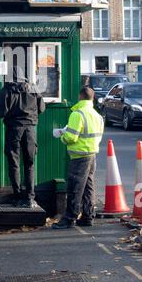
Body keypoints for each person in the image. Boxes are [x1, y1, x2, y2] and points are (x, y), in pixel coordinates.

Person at [52, 86, 104, 229]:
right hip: (92, 154)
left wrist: (62, 135)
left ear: (80, 97)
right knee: (88, 187)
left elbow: (71, 138)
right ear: (92, 98)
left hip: (79, 156)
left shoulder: (77, 114)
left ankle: (69, 218)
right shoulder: (97, 115)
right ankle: (88, 216)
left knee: (75, 187)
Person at [0, 67, 45, 209]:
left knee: (14, 163)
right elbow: (41, 108)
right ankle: (30, 197)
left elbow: (1, 112)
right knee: (29, 163)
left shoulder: (6, 90)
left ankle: (17, 196)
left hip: (13, 130)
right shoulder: (33, 88)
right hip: (30, 129)